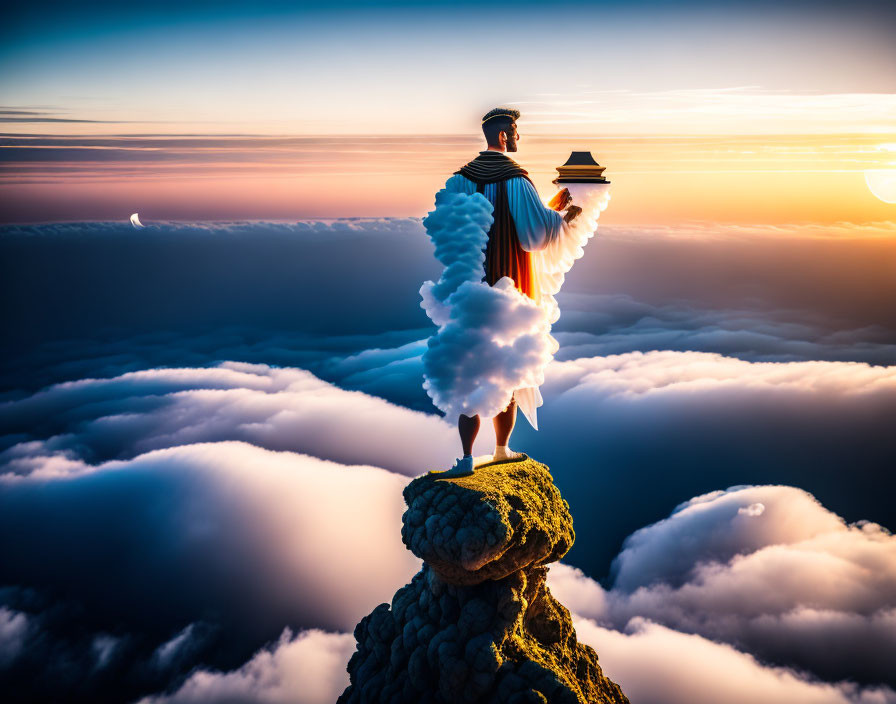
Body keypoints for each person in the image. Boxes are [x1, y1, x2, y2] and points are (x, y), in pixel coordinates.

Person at [438, 107, 581, 478]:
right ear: (503, 136)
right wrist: (562, 214)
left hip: (467, 289)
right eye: (515, 132)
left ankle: (467, 457)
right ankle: (501, 450)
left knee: (470, 367)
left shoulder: (457, 181)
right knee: (510, 363)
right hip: (511, 284)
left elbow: (448, 236)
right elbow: (534, 235)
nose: (518, 138)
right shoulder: (517, 181)